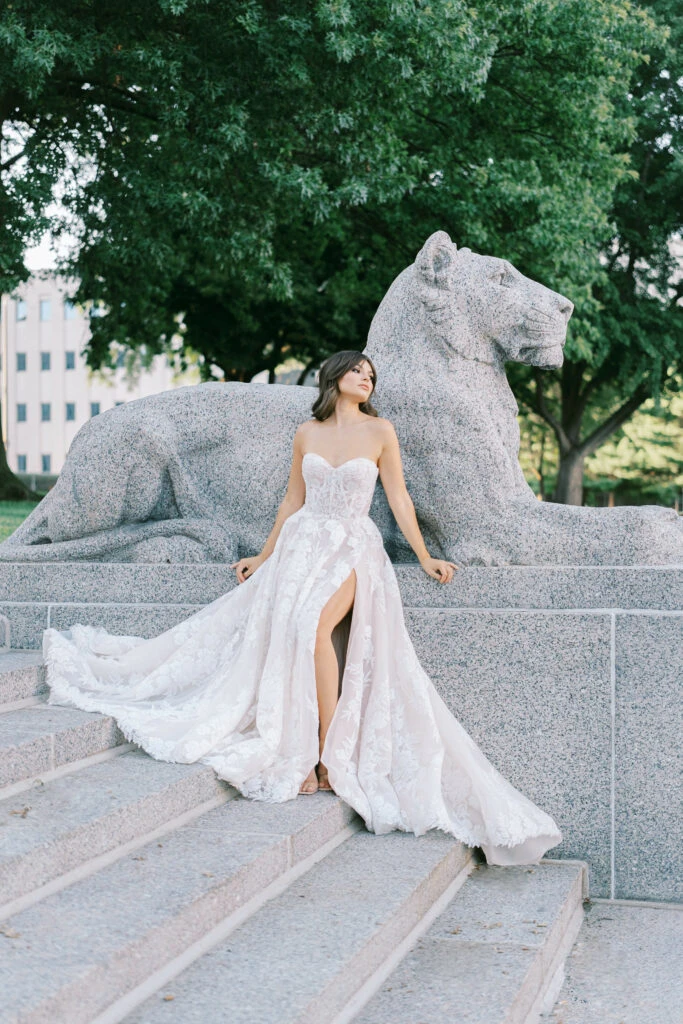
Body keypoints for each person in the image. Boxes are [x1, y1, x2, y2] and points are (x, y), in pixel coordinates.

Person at [43, 350, 562, 866]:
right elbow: (292, 500)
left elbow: (399, 497)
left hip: (354, 546)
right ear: (335, 378)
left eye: (372, 375)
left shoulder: (381, 432)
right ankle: (307, 750)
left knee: (314, 627)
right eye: (359, 371)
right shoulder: (306, 434)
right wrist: (264, 554)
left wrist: (425, 556)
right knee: (290, 628)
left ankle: (325, 757)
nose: (367, 379)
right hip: (301, 543)